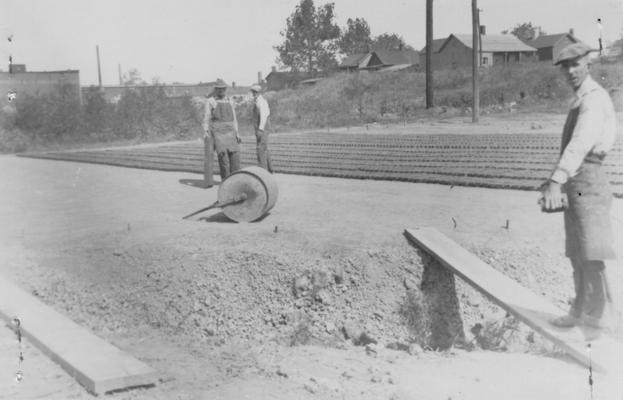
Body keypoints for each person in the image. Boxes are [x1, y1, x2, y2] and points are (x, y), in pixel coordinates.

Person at [541, 43, 617, 329]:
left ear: (588, 64)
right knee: (577, 250)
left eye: (576, 64)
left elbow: (581, 144)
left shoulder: (593, 99)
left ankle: (602, 319)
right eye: (565, 66)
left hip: (589, 179)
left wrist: (556, 180)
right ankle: (580, 312)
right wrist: (558, 180)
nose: (570, 71)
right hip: (577, 179)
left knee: (592, 251)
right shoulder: (579, 99)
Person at [203, 78, 242, 182]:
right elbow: (206, 117)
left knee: (235, 156)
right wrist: (206, 131)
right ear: (215, 89)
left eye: (223, 89)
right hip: (218, 131)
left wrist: (237, 133)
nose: (221, 91)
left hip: (231, 130)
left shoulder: (230, 100)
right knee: (223, 157)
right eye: (219, 89)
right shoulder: (211, 101)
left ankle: (236, 179)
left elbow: (234, 118)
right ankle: (226, 180)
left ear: (225, 89)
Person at [250, 84, 273, 172]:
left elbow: (263, 116)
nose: (254, 93)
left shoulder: (261, 102)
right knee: (264, 148)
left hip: (263, 127)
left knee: (260, 149)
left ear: (259, 92)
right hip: (261, 127)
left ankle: (263, 171)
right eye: (253, 91)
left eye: (255, 92)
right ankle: (270, 169)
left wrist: (260, 129)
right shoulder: (256, 101)